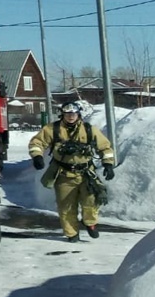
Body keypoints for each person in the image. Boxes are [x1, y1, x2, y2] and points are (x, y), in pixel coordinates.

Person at [28, 101, 116, 242]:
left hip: (86, 174)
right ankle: (71, 233)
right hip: (63, 174)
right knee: (66, 206)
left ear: (78, 114)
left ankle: (90, 223)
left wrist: (108, 164)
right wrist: (37, 156)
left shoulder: (89, 129)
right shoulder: (52, 129)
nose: (71, 116)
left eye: (73, 113)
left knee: (92, 201)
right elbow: (36, 143)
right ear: (62, 114)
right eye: (67, 113)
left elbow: (105, 147)